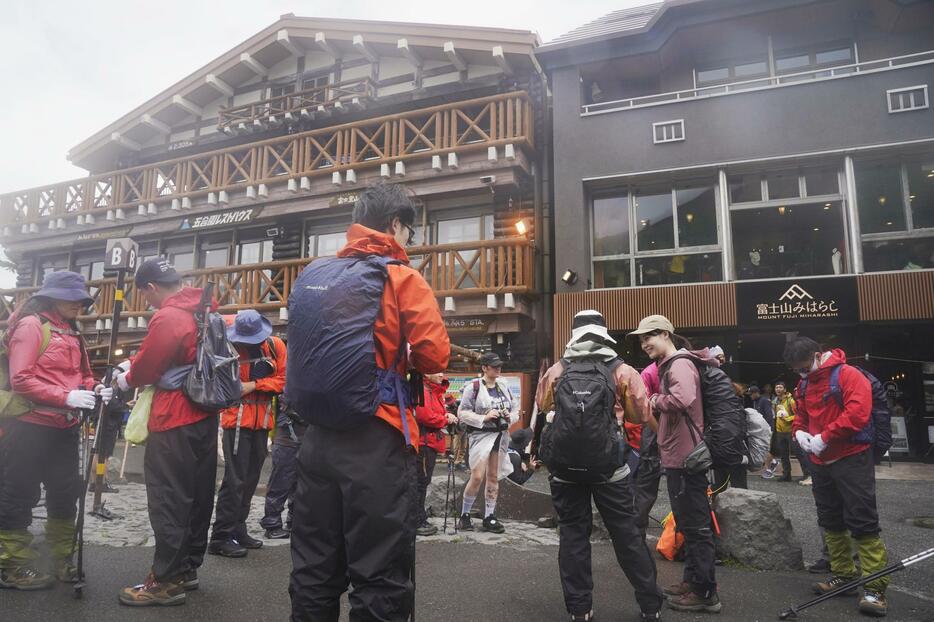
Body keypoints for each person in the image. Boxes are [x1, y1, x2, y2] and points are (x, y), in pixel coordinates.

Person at [287, 182, 449, 622]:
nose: (411, 240)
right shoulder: (401, 277)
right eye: (410, 231)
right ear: (396, 225)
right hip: (377, 437)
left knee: (314, 567)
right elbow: (435, 353)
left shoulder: (315, 274)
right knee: (380, 573)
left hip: (316, 438)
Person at [535, 310, 663, 622]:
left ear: (574, 333)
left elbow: (543, 406)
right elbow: (638, 415)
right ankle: (650, 605)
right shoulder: (622, 370)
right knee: (626, 535)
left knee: (573, 537)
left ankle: (580, 609)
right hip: (610, 470)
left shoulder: (557, 370)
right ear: (603, 332)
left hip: (565, 471)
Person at [116, 259, 219, 606]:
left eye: (145, 296)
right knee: (198, 494)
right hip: (205, 413)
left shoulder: (169, 316)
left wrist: (126, 377)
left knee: (169, 498)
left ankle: (165, 580)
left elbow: (147, 368)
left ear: (151, 287)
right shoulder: (205, 309)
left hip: (174, 416)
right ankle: (187, 568)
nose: (147, 303)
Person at [0, 271, 112, 589]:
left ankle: (60, 558)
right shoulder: (31, 326)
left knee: (65, 495)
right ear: (52, 296)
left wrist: (96, 387)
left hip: (64, 427)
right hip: (27, 427)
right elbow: (20, 378)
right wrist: (66, 396)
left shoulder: (73, 332)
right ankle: (13, 564)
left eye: (81, 299)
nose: (79, 303)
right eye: (71, 297)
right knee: (18, 493)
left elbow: (82, 375)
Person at [785, 336, 890, 618]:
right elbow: (801, 414)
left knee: (863, 519)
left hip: (852, 455)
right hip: (820, 459)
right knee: (830, 518)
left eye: (805, 367)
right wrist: (800, 433)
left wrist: (826, 437)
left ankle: (875, 587)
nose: (802, 374)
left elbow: (858, 413)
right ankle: (843, 575)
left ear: (819, 355)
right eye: (797, 371)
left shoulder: (848, 375)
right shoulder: (804, 384)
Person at [631, 314, 722, 614]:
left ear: (666, 334)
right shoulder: (671, 363)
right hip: (679, 455)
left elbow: (682, 398)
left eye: (650, 337)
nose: (644, 343)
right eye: (642, 338)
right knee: (688, 523)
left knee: (696, 527)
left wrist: (653, 400)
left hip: (686, 458)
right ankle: (693, 582)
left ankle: (706, 593)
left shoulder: (680, 363)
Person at [209, 310, 286, 557]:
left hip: (262, 423)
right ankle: (220, 536)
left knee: (251, 478)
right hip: (236, 422)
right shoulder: (227, 346)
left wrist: (254, 385)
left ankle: (238, 528)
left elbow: (285, 380)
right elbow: (222, 383)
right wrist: (254, 386)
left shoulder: (275, 346)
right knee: (234, 480)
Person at [457, 351, 519, 533]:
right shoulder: (473, 387)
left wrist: (509, 417)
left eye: (500, 366)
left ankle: (489, 516)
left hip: (499, 435)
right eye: (494, 366)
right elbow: (463, 413)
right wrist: (484, 417)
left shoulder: (503, 385)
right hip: (480, 435)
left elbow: (515, 408)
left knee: (493, 476)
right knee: (477, 476)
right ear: (484, 368)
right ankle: (465, 515)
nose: (498, 369)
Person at [414, 372, 456, 537]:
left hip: (428, 441)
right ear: (426, 373)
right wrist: (445, 419)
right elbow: (425, 416)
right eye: (436, 371)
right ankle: (417, 520)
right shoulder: (424, 390)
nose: (441, 374)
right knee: (420, 482)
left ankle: (419, 516)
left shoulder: (433, 390)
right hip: (423, 442)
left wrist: (443, 416)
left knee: (422, 481)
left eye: (441, 371)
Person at [260, 396, 307, 539]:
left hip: (300, 436)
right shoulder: (290, 378)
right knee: (280, 483)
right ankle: (272, 524)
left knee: (300, 484)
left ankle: (294, 521)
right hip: (288, 436)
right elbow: (286, 402)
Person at [89, 384, 131, 494]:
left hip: (103, 424)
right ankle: (101, 483)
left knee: (98, 454)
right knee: (104, 456)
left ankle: (94, 482)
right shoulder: (113, 389)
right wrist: (126, 405)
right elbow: (113, 406)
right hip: (108, 425)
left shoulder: (105, 386)